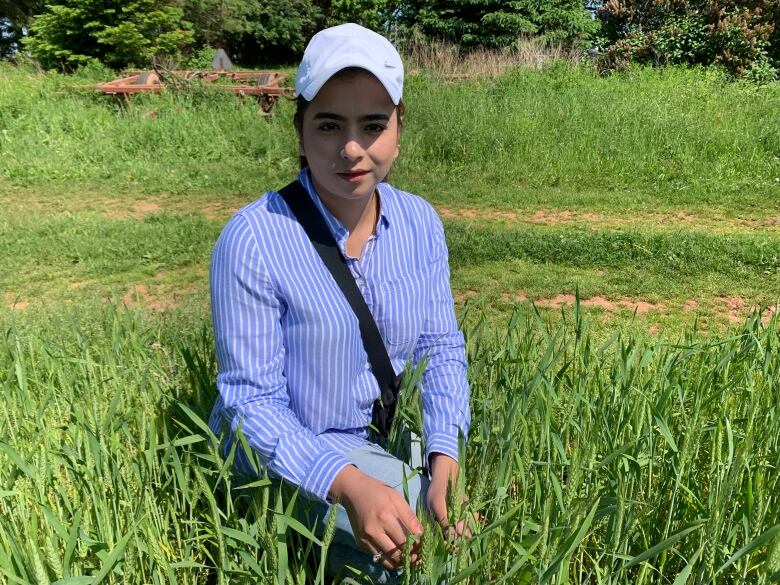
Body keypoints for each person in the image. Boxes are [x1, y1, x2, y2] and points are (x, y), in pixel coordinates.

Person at [208, 23, 471, 583]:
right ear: (300, 131)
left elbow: (441, 346)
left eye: (373, 125)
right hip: (287, 454)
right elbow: (249, 405)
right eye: (329, 125)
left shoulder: (419, 223)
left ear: (399, 129)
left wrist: (444, 459)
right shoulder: (253, 239)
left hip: (377, 438)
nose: (352, 148)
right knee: (412, 565)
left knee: (454, 536)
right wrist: (349, 483)